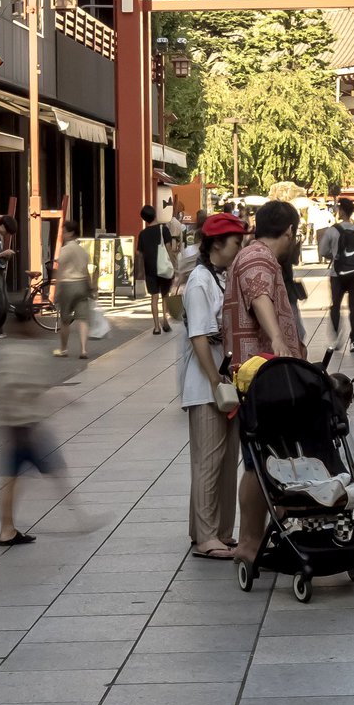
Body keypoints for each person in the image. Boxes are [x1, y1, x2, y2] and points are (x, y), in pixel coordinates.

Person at [225, 200, 308, 566]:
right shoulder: (257, 257)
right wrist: (277, 339)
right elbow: (260, 296)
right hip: (263, 375)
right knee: (257, 461)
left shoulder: (254, 254)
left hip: (268, 373)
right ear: (289, 231)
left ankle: (263, 530)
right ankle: (249, 542)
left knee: (264, 458)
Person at [180, 213, 246, 560]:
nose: (241, 248)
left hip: (223, 380)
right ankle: (208, 536)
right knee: (210, 459)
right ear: (218, 244)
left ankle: (215, 530)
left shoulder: (221, 278)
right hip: (209, 384)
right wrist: (214, 380)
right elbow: (199, 337)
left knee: (224, 458)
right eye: (237, 242)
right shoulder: (200, 281)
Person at [0, 320, 64, 547]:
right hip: (27, 426)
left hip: (8, 424)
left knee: (9, 479)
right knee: (56, 470)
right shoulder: (33, 354)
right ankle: (79, 515)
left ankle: (6, 529)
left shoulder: (3, 353)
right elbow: (36, 390)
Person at [319, 198, 354, 352]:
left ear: (341, 211)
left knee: (335, 305)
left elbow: (322, 251)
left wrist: (335, 256)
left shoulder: (332, 231)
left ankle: (335, 339)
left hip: (336, 274)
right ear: (353, 212)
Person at [54, 220, 93, 360]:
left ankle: (64, 349)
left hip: (68, 284)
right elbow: (86, 271)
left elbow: (60, 270)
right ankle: (83, 350)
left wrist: (56, 290)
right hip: (82, 284)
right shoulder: (82, 250)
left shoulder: (65, 250)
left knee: (65, 320)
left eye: (64, 232)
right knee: (83, 319)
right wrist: (90, 287)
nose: (63, 235)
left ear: (70, 233)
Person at [137, 204, 176, 335]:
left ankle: (156, 327)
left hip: (150, 269)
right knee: (165, 295)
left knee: (154, 297)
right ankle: (165, 320)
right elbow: (169, 249)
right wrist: (174, 265)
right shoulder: (163, 229)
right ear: (155, 214)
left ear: (144, 219)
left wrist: (139, 271)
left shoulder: (142, 234)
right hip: (164, 267)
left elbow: (139, 254)